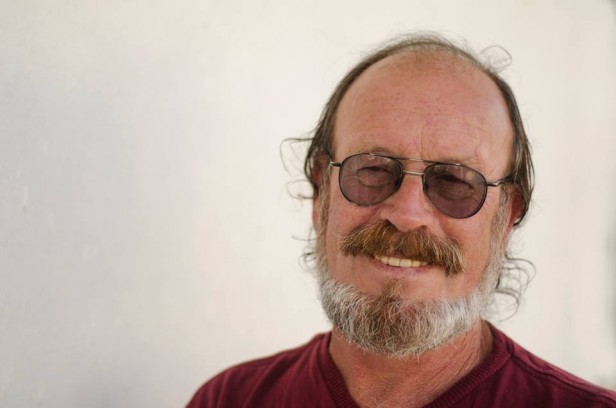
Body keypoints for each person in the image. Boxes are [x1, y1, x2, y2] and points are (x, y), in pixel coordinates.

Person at [188, 33, 616, 407]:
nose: (408, 215)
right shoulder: (229, 400)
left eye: (454, 181)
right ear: (321, 193)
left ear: (506, 219)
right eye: (372, 170)